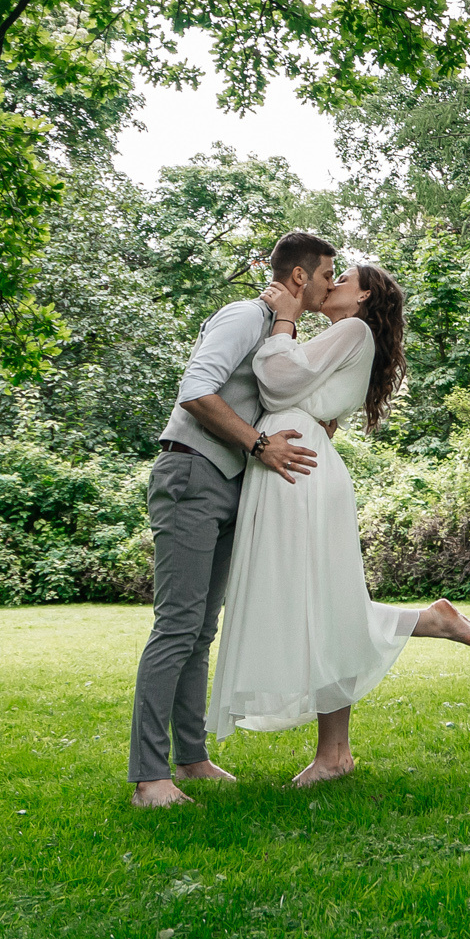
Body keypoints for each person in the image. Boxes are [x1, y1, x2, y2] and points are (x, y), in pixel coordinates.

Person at [208, 258, 470, 786]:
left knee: (316, 600)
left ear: (362, 298)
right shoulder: (346, 337)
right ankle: (339, 746)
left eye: (343, 280)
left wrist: (286, 322)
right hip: (295, 462)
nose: (331, 285)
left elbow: (277, 382)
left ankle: (340, 746)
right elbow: (296, 390)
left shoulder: (352, 329)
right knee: (315, 600)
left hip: (298, 467)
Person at [127, 231, 331, 810]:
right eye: (323, 277)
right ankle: (148, 777)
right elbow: (196, 391)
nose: (327, 287)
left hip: (228, 487)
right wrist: (261, 444)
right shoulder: (246, 314)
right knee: (176, 625)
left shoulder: (277, 333)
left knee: (200, 630)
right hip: (191, 474)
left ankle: (190, 759)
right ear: (298, 276)